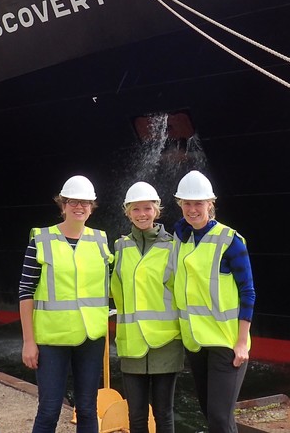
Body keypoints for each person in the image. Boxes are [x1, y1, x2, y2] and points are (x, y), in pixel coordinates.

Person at [19, 175, 111, 433]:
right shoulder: (41, 239)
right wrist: (29, 341)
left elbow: (112, 284)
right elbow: (26, 291)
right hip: (52, 340)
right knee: (49, 410)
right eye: (73, 202)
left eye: (85, 202)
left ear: (92, 207)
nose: (79, 207)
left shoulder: (101, 240)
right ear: (62, 205)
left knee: (87, 409)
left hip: (89, 337)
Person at [172, 170, 255, 433]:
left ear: (211, 204)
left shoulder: (230, 241)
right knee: (212, 414)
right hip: (196, 343)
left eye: (198, 203)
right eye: (187, 203)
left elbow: (248, 292)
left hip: (225, 342)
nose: (192, 209)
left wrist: (242, 342)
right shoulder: (183, 238)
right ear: (180, 205)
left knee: (219, 418)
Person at [110, 181, 182, 433]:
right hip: (131, 344)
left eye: (147, 209)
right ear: (127, 212)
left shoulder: (173, 246)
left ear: (157, 211)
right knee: (136, 414)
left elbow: (181, 293)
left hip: (166, 342)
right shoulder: (120, 247)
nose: (142, 214)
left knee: (164, 413)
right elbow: (115, 292)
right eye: (136, 209)